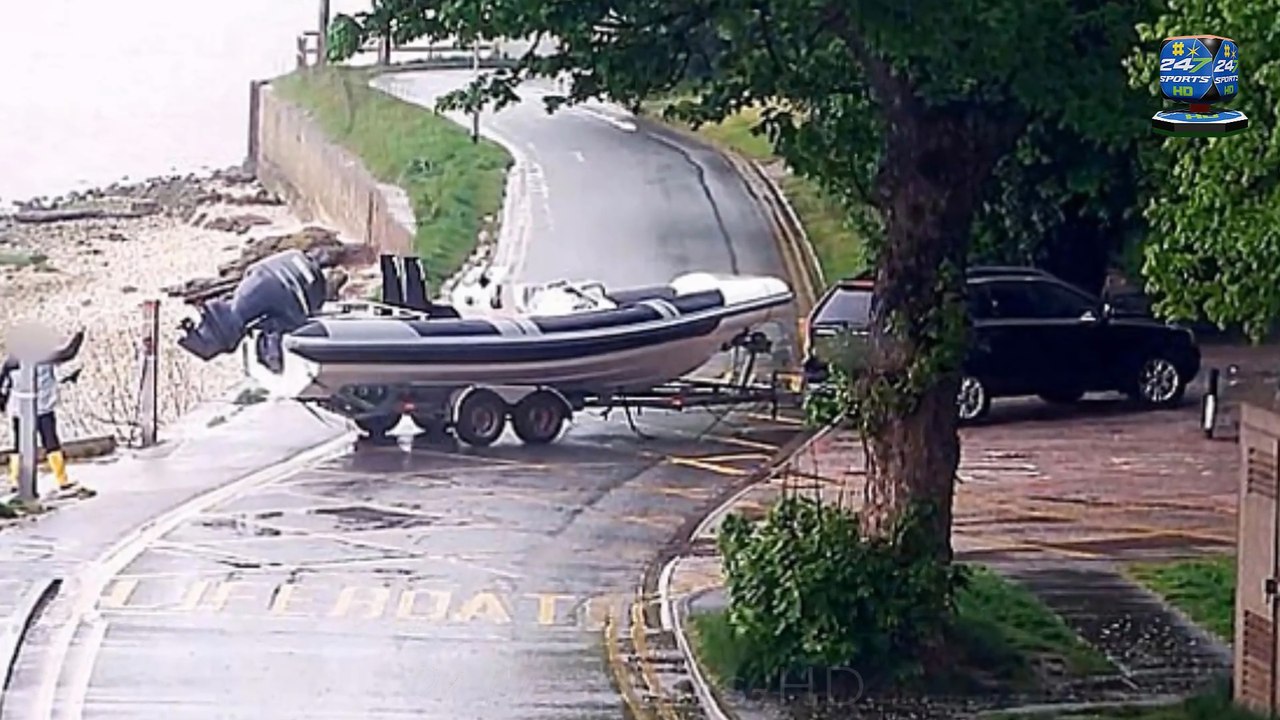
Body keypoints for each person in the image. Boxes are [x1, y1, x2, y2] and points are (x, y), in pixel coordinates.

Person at [0, 323, 85, 493]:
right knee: (51, 443)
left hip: (19, 411)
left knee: (19, 445)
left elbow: (2, 386)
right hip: (43, 408)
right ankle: (62, 481)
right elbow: (69, 353)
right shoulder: (46, 358)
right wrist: (80, 335)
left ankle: (15, 481)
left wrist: (2, 404)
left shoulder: (11, 362)